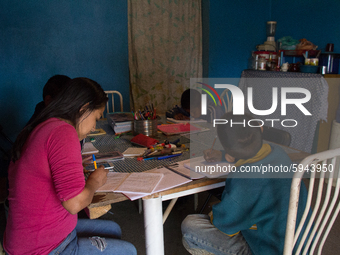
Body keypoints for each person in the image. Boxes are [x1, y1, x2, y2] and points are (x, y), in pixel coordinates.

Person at [3, 77, 137, 255]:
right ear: (83, 109)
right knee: (129, 251)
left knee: (113, 230)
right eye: (96, 117)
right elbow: (75, 204)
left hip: (31, 236)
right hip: (42, 247)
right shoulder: (63, 132)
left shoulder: (44, 126)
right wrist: (94, 182)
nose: (94, 126)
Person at [181, 112, 308, 255]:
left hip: (267, 249)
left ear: (229, 149)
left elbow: (225, 225)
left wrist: (214, 211)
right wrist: (224, 155)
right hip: (300, 243)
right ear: (260, 128)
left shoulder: (243, 179)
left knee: (190, 226)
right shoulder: (278, 152)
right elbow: (256, 160)